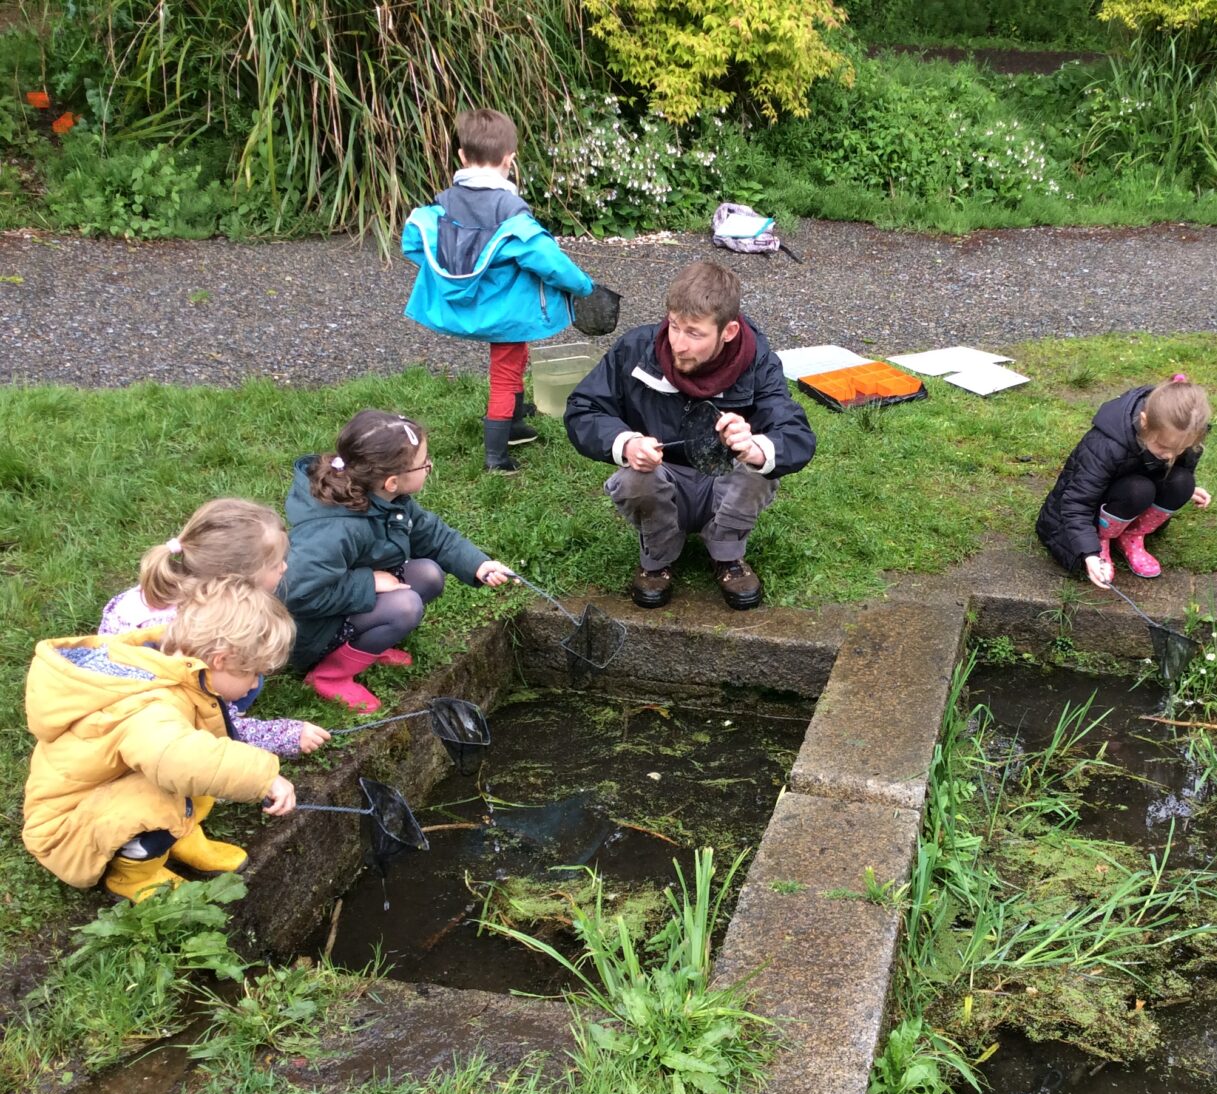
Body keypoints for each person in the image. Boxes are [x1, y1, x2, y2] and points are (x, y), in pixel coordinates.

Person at [23, 578, 301, 904]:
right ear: (221, 659)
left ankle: (180, 835)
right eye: (252, 673)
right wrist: (264, 777)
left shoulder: (167, 666)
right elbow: (179, 757)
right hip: (66, 827)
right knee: (181, 774)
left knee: (195, 768)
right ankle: (132, 876)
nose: (255, 683)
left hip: (107, 791)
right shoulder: (148, 706)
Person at [563, 260, 816, 611]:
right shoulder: (636, 350)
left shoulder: (758, 360)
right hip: (662, 478)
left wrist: (756, 447)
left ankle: (727, 554)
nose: (679, 344)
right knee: (634, 476)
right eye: (674, 326)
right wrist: (626, 443)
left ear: (727, 332)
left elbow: (796, 433)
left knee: (760, 471)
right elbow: (582, 408)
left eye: (695, 333)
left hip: (724, 483)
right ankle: (658, 556)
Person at [403, 108, 595, 474]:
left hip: (466, 310)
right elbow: (548, 261)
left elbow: (413, 243)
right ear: (510, 159)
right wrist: (584, 286)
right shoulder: (511, 213)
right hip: (506, 313)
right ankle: (497, 459)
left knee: (518, 355)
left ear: (461, 157)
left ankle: (516, 422)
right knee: (505, 375)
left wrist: (456, 269)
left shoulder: (442, 205)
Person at [281, 409, 512, 712]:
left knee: (429, 575)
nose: (429, 467)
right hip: (308, 631)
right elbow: (294, 595)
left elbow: (432, 534)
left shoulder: (386, 500)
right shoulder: (335, 529)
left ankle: (366, 643)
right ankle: (329, 675)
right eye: (424, 464)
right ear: (391, 482)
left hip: (340, 605)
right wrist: (368, 583)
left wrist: (478, 564)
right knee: (406, 606)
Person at [99, 498, 328, 758]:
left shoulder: (169, 592)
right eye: (276, 565)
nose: (284, 568)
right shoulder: (200, 637)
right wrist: (286, 734)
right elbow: (214, 725)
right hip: (143, 726)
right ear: (237, 582)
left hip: (117, 695)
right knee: (247, 671)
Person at [1036, 374, 1213, 588]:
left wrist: (1185, 488)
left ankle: (1132, 536)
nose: (1169, 456)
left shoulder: (1182, 438)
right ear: (1144, 421)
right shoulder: (1106, 444)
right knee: (1139, 489)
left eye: (1179, 450)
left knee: (1183, 482)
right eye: (1164, 447)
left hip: (1132, 496)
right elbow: (1076, 503)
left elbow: (1178, 467)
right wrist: (1089, 553)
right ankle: (1102, 539)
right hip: (1096, 507)